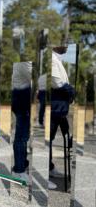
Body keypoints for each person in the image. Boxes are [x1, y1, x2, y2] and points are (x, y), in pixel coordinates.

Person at [49, 46, 75, 183]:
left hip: (60, 109)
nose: (65, 45)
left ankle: (50, 169)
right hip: (55, 108)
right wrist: (72, 92)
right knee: (48, 140)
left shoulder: (57, 59)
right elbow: (57, 83)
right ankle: (47, 172)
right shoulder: (52, 59)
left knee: (64, 136)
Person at [11, 62, 32, 182]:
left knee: (24, 136)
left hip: (23, 97)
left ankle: (22, 164)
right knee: (21, 137)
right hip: (21, 98)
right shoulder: (23, 61)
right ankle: (19, 170)